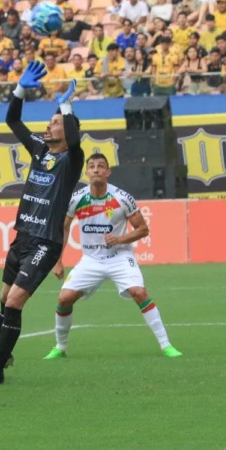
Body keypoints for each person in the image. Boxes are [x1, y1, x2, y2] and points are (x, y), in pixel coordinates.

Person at [0, 63, 84, 387]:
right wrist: (20, 90)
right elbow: (12, 120)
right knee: (3, 298)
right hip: (22, 237)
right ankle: (3, 355)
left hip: (45, 243)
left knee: (14, 302)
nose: (49, 126)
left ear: (67, 131)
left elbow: (76, 137)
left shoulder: (72, 159)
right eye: (50, 122)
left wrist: (66, 107)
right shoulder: (40, 151)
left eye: (56, 123)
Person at [44, 154, 182, 360]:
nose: (96, 170)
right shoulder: (77, 198)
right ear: (87, 173)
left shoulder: (122, 198)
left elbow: (143, 229)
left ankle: (166, 345)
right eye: (92, 167)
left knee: (139, 292)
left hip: (119, 256)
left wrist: (120, 239)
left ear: (108, 172)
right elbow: (63, 228)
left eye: (101, 166)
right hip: (91, 259)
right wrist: (58, 260)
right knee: (64, 299)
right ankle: (60, 347)